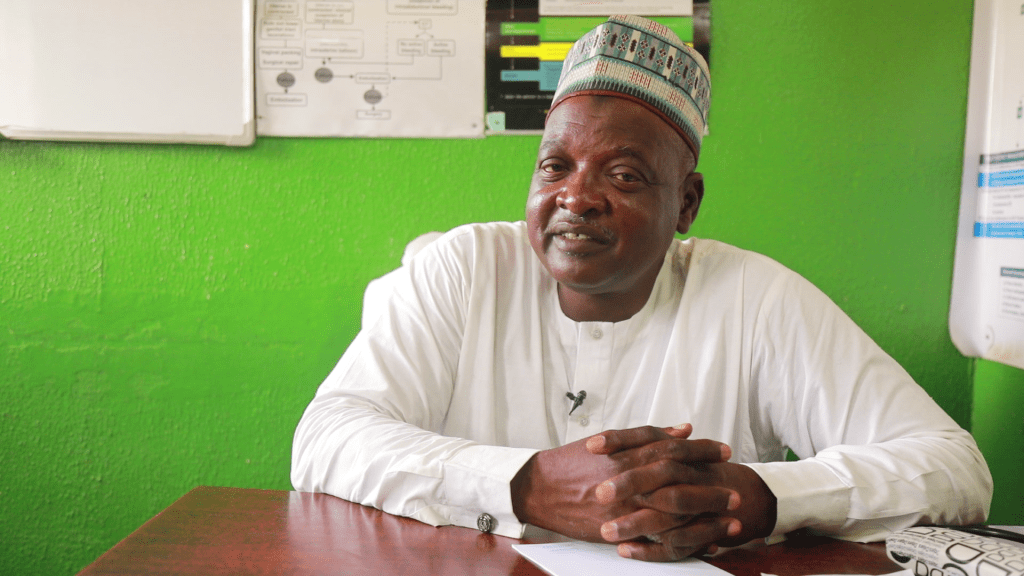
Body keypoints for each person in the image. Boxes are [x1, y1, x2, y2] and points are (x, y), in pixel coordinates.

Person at [291, 15, 992, 562]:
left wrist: (761, 496)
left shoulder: (753, 298)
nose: (576, 197)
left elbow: (954, 468)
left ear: (686, 203)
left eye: (624, 175)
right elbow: (326, 438)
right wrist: (525, 484)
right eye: (555, 167)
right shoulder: (465, 267)